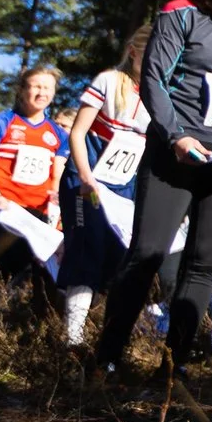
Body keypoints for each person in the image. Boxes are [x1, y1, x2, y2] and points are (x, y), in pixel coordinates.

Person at [92, 0, 212, 387]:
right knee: (148, 254)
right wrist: (176, 135)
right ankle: (106, 359)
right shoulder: (181, 15)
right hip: (173, 155)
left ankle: (172, 362)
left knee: (203, 264)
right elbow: (154, 79)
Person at [62, 27, 153, 347]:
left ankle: (104, 337)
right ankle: (72, 337)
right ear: (133, 51)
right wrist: (85, 177)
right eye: (149, 52)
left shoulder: (157, 91)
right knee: (88, 249)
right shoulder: (109, 81)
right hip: (86, 178)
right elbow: (77, 132)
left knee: (119, 259)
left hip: (123, 187)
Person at [0, 67, 67, 306]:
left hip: (33, 217)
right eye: (35, 86)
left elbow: (57, 179)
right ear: (22, 90)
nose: (41, 92)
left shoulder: (57, 134)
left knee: (18, 283)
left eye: (47, 88)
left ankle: (4, 335)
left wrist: (55, 214)